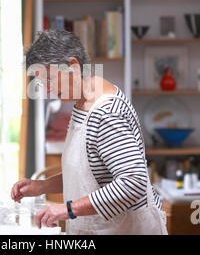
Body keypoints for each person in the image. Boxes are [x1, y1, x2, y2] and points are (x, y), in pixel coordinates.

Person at [11, 30, 167, 235]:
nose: (47, 89)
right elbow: (87, 174)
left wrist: (67, 209)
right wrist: (41, 186)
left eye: (49, 79)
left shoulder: (106, 113)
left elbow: (133, 182)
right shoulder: (82, 105)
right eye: (42, 83)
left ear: (73, 67)